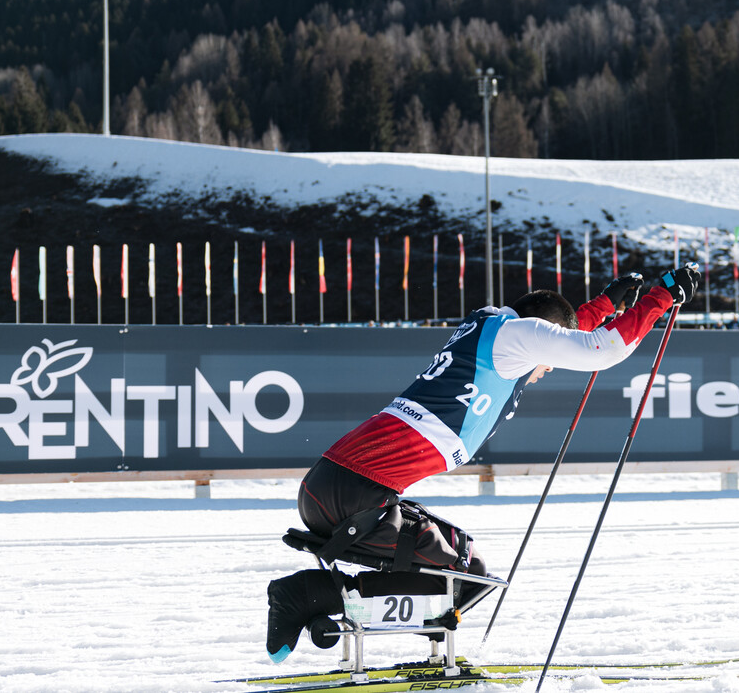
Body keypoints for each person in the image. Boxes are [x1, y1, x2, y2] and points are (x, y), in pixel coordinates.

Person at [266, 265, 703, 662]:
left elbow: (562, 334)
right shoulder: (514, 338)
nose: (548, 369)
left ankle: (373, 621)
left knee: (469, 569)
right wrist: (660, 300)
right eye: (547, 360)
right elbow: (596, 349)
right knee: (465, 578)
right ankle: (311, 594)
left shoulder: (494, 328)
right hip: (351, 494)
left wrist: (606, 305)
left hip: (337, 487)